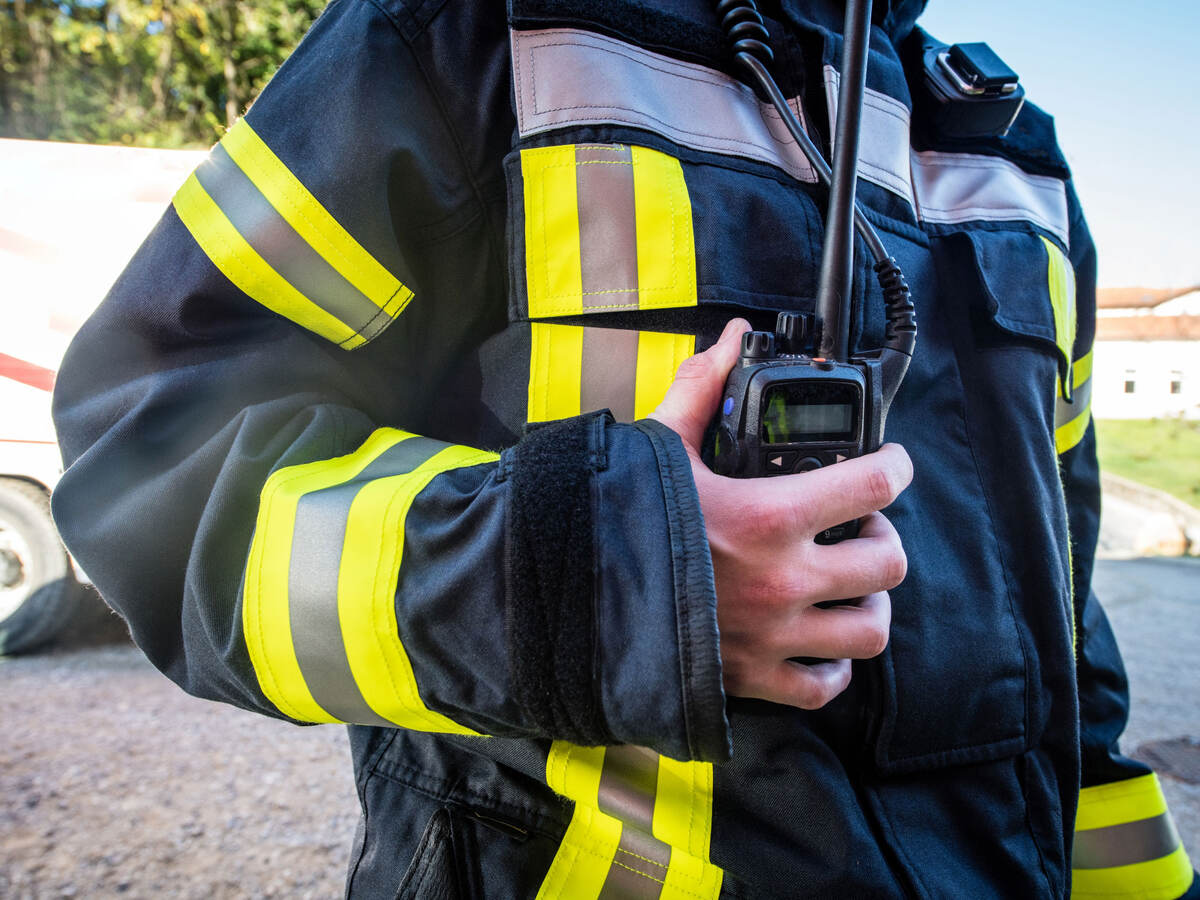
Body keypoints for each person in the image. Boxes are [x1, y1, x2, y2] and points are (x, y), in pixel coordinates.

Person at [51, 0, 1196, 896]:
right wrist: (605, 583)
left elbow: (1069, 634)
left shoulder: (1018, 155)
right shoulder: (465, 33)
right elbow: (148, 463)